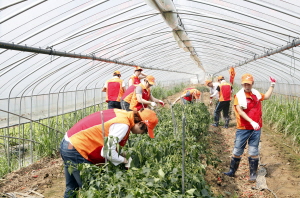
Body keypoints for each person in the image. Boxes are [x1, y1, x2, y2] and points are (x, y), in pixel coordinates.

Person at [60, 108, 159, 198]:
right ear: (141, 124)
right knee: (92, 190)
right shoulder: (123, 125)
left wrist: (121, 154)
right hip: (77, 149)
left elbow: (108, 140)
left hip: (67, 143)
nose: (142, 134)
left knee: (72, 187)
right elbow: (107, 152)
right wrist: (123, 160)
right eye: (145, 131)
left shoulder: (122, 114)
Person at [223, 74, 276, 182]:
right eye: (245, 84)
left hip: (256, 128)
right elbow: (240, 111)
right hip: (243, 128)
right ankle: (232, 171)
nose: (247, 86)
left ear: (252, 84)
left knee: (253, 151)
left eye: (249, 84)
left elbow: (266, 97)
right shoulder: (239, 96)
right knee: (237, 150)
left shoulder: (256, 94)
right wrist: (251, 121)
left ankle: (253, 174)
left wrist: (272, 85)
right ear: (242, 84)